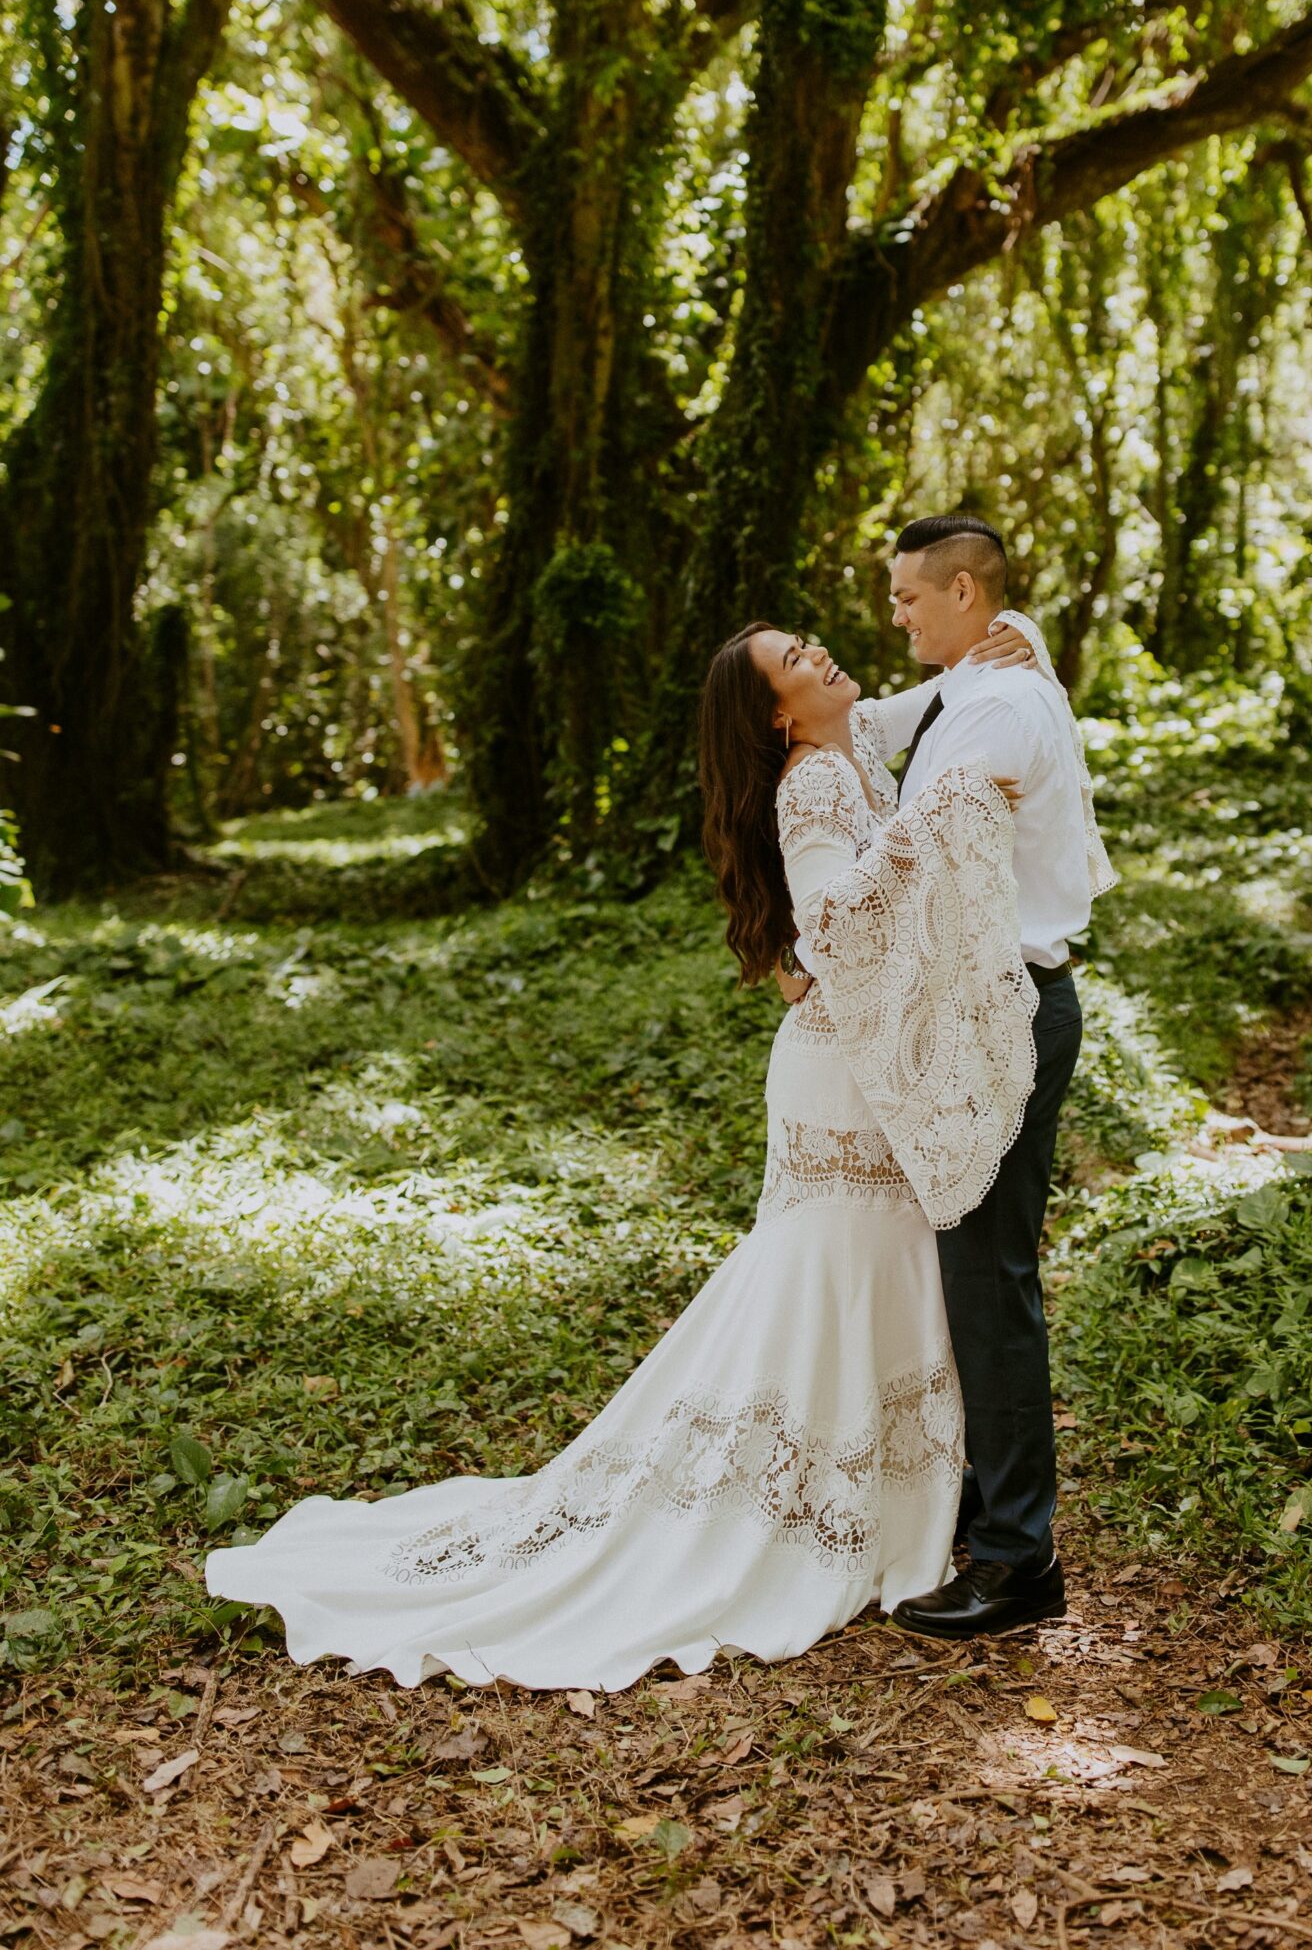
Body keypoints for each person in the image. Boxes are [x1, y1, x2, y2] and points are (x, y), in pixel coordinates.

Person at [203, 616, 1039, 1691]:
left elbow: (903, 719)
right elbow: (828, 916)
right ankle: (816, 1502)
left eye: (812, 641)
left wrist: (984, 656)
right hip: (844, 1080)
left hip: (857, 1062)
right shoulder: (816, 785)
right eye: (798, 661)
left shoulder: (848, 748)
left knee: (866, 1274)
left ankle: (867, 1496)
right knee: (836, 1277)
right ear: (778, 714)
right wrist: (941, 816)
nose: (823, 654)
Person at [879, 514, 1116, 1641]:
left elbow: (912, 854)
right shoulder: (977, 678)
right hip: (985, 1007)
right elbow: (880, 727)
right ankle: (982, 1508)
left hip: (1006, 1011)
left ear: (964, 592)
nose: (897, 616)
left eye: (910, 600)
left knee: (991, 1282)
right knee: (969, 1271)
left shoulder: (1000, 706)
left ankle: (1022, 1560)